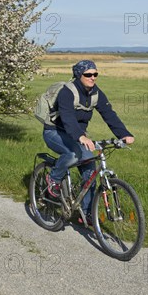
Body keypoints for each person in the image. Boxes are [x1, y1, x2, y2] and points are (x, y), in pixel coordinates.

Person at [42, 59, 135, 225]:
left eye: (95, 74)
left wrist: (124, 134)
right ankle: (53, 179)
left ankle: (86, 214)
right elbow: (68, 118)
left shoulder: (95, 93)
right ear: (79, 75)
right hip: (54, 131)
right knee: (72, 155)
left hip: (75, 135)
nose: (93, 77)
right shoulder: (67, 92)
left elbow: (109, 114)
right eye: (88, 74)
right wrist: (81, 137)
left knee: (90, 168)